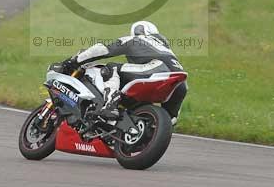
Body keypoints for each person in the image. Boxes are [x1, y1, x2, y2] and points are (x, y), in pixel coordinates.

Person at [55, 21, 187, 124]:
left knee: (111, 67)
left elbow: (102, 49)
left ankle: (110, 105)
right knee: (169, 120)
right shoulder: (165, 47)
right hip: (180, 83)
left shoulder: (135, 39)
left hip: (156, 69)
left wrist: (73, 61)